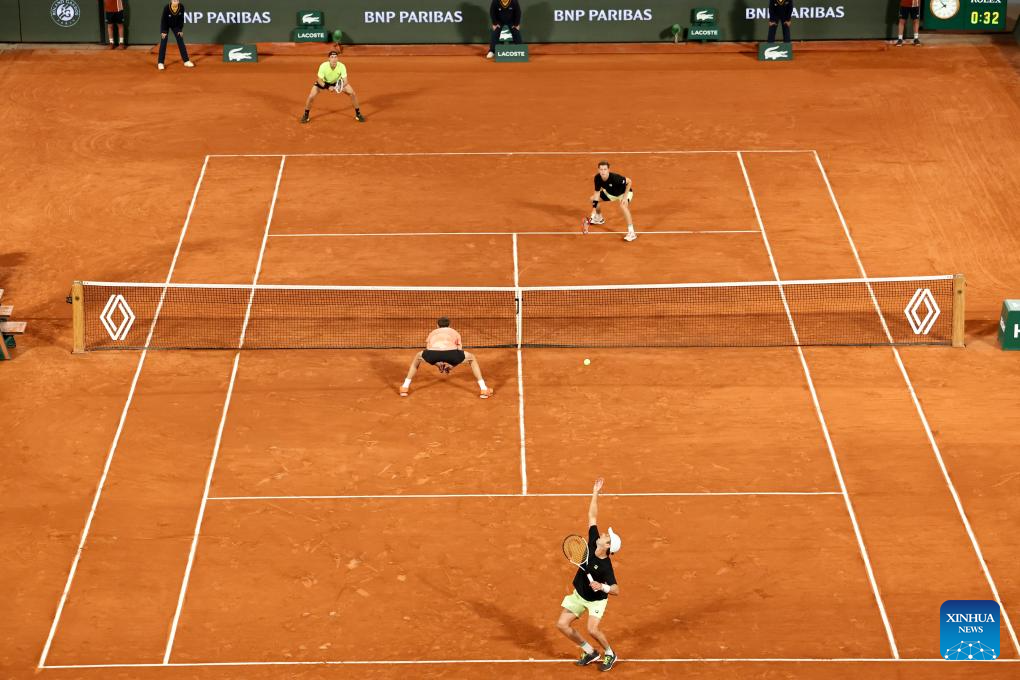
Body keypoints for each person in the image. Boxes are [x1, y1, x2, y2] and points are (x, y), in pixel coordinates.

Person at [556, 478, 621, 672]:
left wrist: (602, 587)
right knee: (562, 625)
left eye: (607, 537)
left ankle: (610, 653)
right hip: (580, 594)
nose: (604, 534)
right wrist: (595, 492)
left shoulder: (606, 566)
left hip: (596, 601)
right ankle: (590, 651)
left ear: (607, 547)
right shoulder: (593, 541)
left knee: (592, 629)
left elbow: (616, 590)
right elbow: (592, 515)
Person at [400, 317, 493, 398]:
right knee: (471, 358)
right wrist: (452, 365)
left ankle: (404, 387)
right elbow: (459, 352)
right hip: (452, 353)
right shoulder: (455, 332)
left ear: (437, 325)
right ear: (449, 325)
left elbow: (429, 350)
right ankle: (484, 389)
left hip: (433, 354)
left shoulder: (432, 333)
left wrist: (437, 364)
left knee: (418, 357)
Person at [300, 50, 365, 124]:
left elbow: (345, 81)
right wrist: (328, 87)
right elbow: (319, 80)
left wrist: (338, 87)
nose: (334, 59)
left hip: (337, 83)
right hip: (324, 83)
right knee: (311, 96)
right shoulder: (323, 66)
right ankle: (306, 115)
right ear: (329, 59)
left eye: (335, 57)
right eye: (332, 57)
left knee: (352, 93)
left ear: (337, 58)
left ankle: (358, 114)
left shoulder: (342, 66)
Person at [585, 161, 638, 242]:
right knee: (592, 199)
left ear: (608, 170)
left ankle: (632, 232)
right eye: (601, 169)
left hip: (623, 193)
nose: (603, 171)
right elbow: (597, 193)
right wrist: (594, 209)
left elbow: (629, 181)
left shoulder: (615, 178)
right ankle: (599, 218)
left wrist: (624, 197)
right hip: (610, 194)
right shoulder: (597, 178)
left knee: (623, 206)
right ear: (598, 170)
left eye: (605, 169)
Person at [158, 0, 193, 70]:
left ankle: (186, 61)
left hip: (176, 26)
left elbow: (181, 19)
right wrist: (163, 31)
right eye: (174, 0)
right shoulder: (166, 8)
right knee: (163, 42)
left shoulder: (181, 7)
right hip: (166, 26)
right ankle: (160, 63)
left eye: (176, 0)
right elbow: (163, 20)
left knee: (180, 40)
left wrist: (180, 29)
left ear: (178, 1)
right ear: (171, 1)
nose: (175, 1)